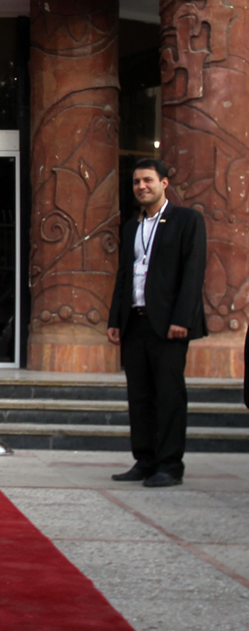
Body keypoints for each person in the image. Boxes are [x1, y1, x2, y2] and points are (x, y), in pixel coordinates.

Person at [107, 158, 207, 488]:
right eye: (137, 181)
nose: (141, 186)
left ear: (164, 183)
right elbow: (124, 275)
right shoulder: (131, 227)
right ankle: (145, 459)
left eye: (148, 180)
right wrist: (115, 318)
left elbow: (193, 272)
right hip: (135, 322)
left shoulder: (186, 220)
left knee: (169, 395)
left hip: (168, 324)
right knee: (139, 396)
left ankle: (170, 464)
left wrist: (183, 319)